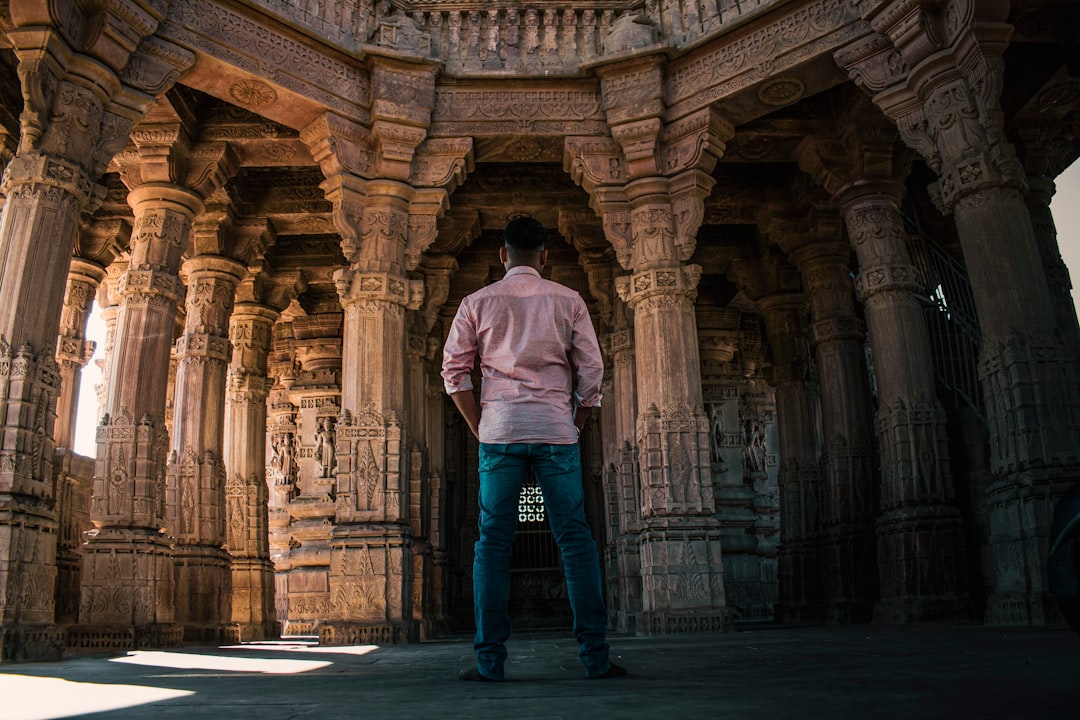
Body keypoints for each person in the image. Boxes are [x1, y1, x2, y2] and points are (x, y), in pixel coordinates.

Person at [441, 216, 627, 682]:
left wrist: (480, 427)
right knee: (575, 543)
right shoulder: (568, 301)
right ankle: (595, 658)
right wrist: (576, 422)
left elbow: (454, 373)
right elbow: (591, 372)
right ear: (545, 257)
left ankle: (490, 662)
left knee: (493, 546)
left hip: (499, 432)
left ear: (502, 255)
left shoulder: (477, 302)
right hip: (555, 432)